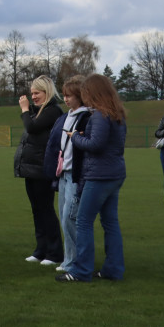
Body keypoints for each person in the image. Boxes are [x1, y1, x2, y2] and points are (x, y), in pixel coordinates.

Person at [57, 74, 127, 283]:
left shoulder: (99, 116)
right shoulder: (118, 114)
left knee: (83, 221)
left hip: (99, 175)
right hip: (115, 174)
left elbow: (95, 145)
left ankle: (81, 270)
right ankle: (113, 269)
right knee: (110, 223)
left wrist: (75, 137)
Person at [42, 76, 90, 274]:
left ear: (80, 96)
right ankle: (70, 258)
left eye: (70, 95)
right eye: (65, 95)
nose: (66, 99)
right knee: (65, 217)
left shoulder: (86, 117)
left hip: (76, 175)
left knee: (70, 218)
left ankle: (75, 261)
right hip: (63, 174)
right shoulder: (65, 117)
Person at [15, 75, 63, 266]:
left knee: (46, 210)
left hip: (43, 168)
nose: (33, 96)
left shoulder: (52, 111)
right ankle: (40, 249)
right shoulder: (39, 112)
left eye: (37, 93)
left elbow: (32, 127)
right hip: (31, 168)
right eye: (32, 93)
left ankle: (54, 252)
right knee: (37, 210)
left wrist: (25, 110)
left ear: (47, 92)